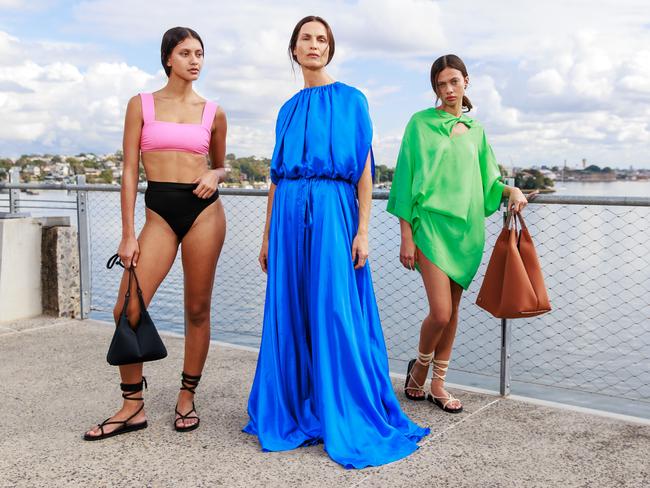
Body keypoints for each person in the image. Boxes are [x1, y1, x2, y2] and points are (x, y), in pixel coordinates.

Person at [243, 16, 429, 469]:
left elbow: (364, 171)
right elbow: (275, 178)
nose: (314, 45)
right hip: (288, 213)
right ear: (293, 49)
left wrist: (363, 230)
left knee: (335, 308)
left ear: (330, 49)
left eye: (322, 39)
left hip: (333, 212)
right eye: (306, 38)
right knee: (291, 308)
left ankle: (343, 407)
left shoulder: (351, 100)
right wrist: (267, 235)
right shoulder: (286, 109)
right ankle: (300, 403)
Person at [84, 26, 227, 440]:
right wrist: (128, 233)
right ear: (168, 58)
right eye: (185, 53)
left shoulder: (212, 110)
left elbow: (220, 164)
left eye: (199, 53)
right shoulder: (141, 104)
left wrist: (216, 175)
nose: (195, 60)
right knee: (126, 308)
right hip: (158, 215)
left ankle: (187, 395)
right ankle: (132, 406)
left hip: (205, 213)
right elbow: (130, 170)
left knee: (197, 310)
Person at [387, 54, 531, 413]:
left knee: (453, 313)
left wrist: (511, 191)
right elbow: (404, 179)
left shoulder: (477, 131)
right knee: (439, 312)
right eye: (441, 84)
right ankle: (419, 368)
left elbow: (489, 181)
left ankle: (438, 384)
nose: (448, 90)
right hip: (430, 227)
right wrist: (406, 235)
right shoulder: (419, 124)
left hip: (466, 232)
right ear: (435, 87)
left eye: (454, 81)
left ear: (466, 81)